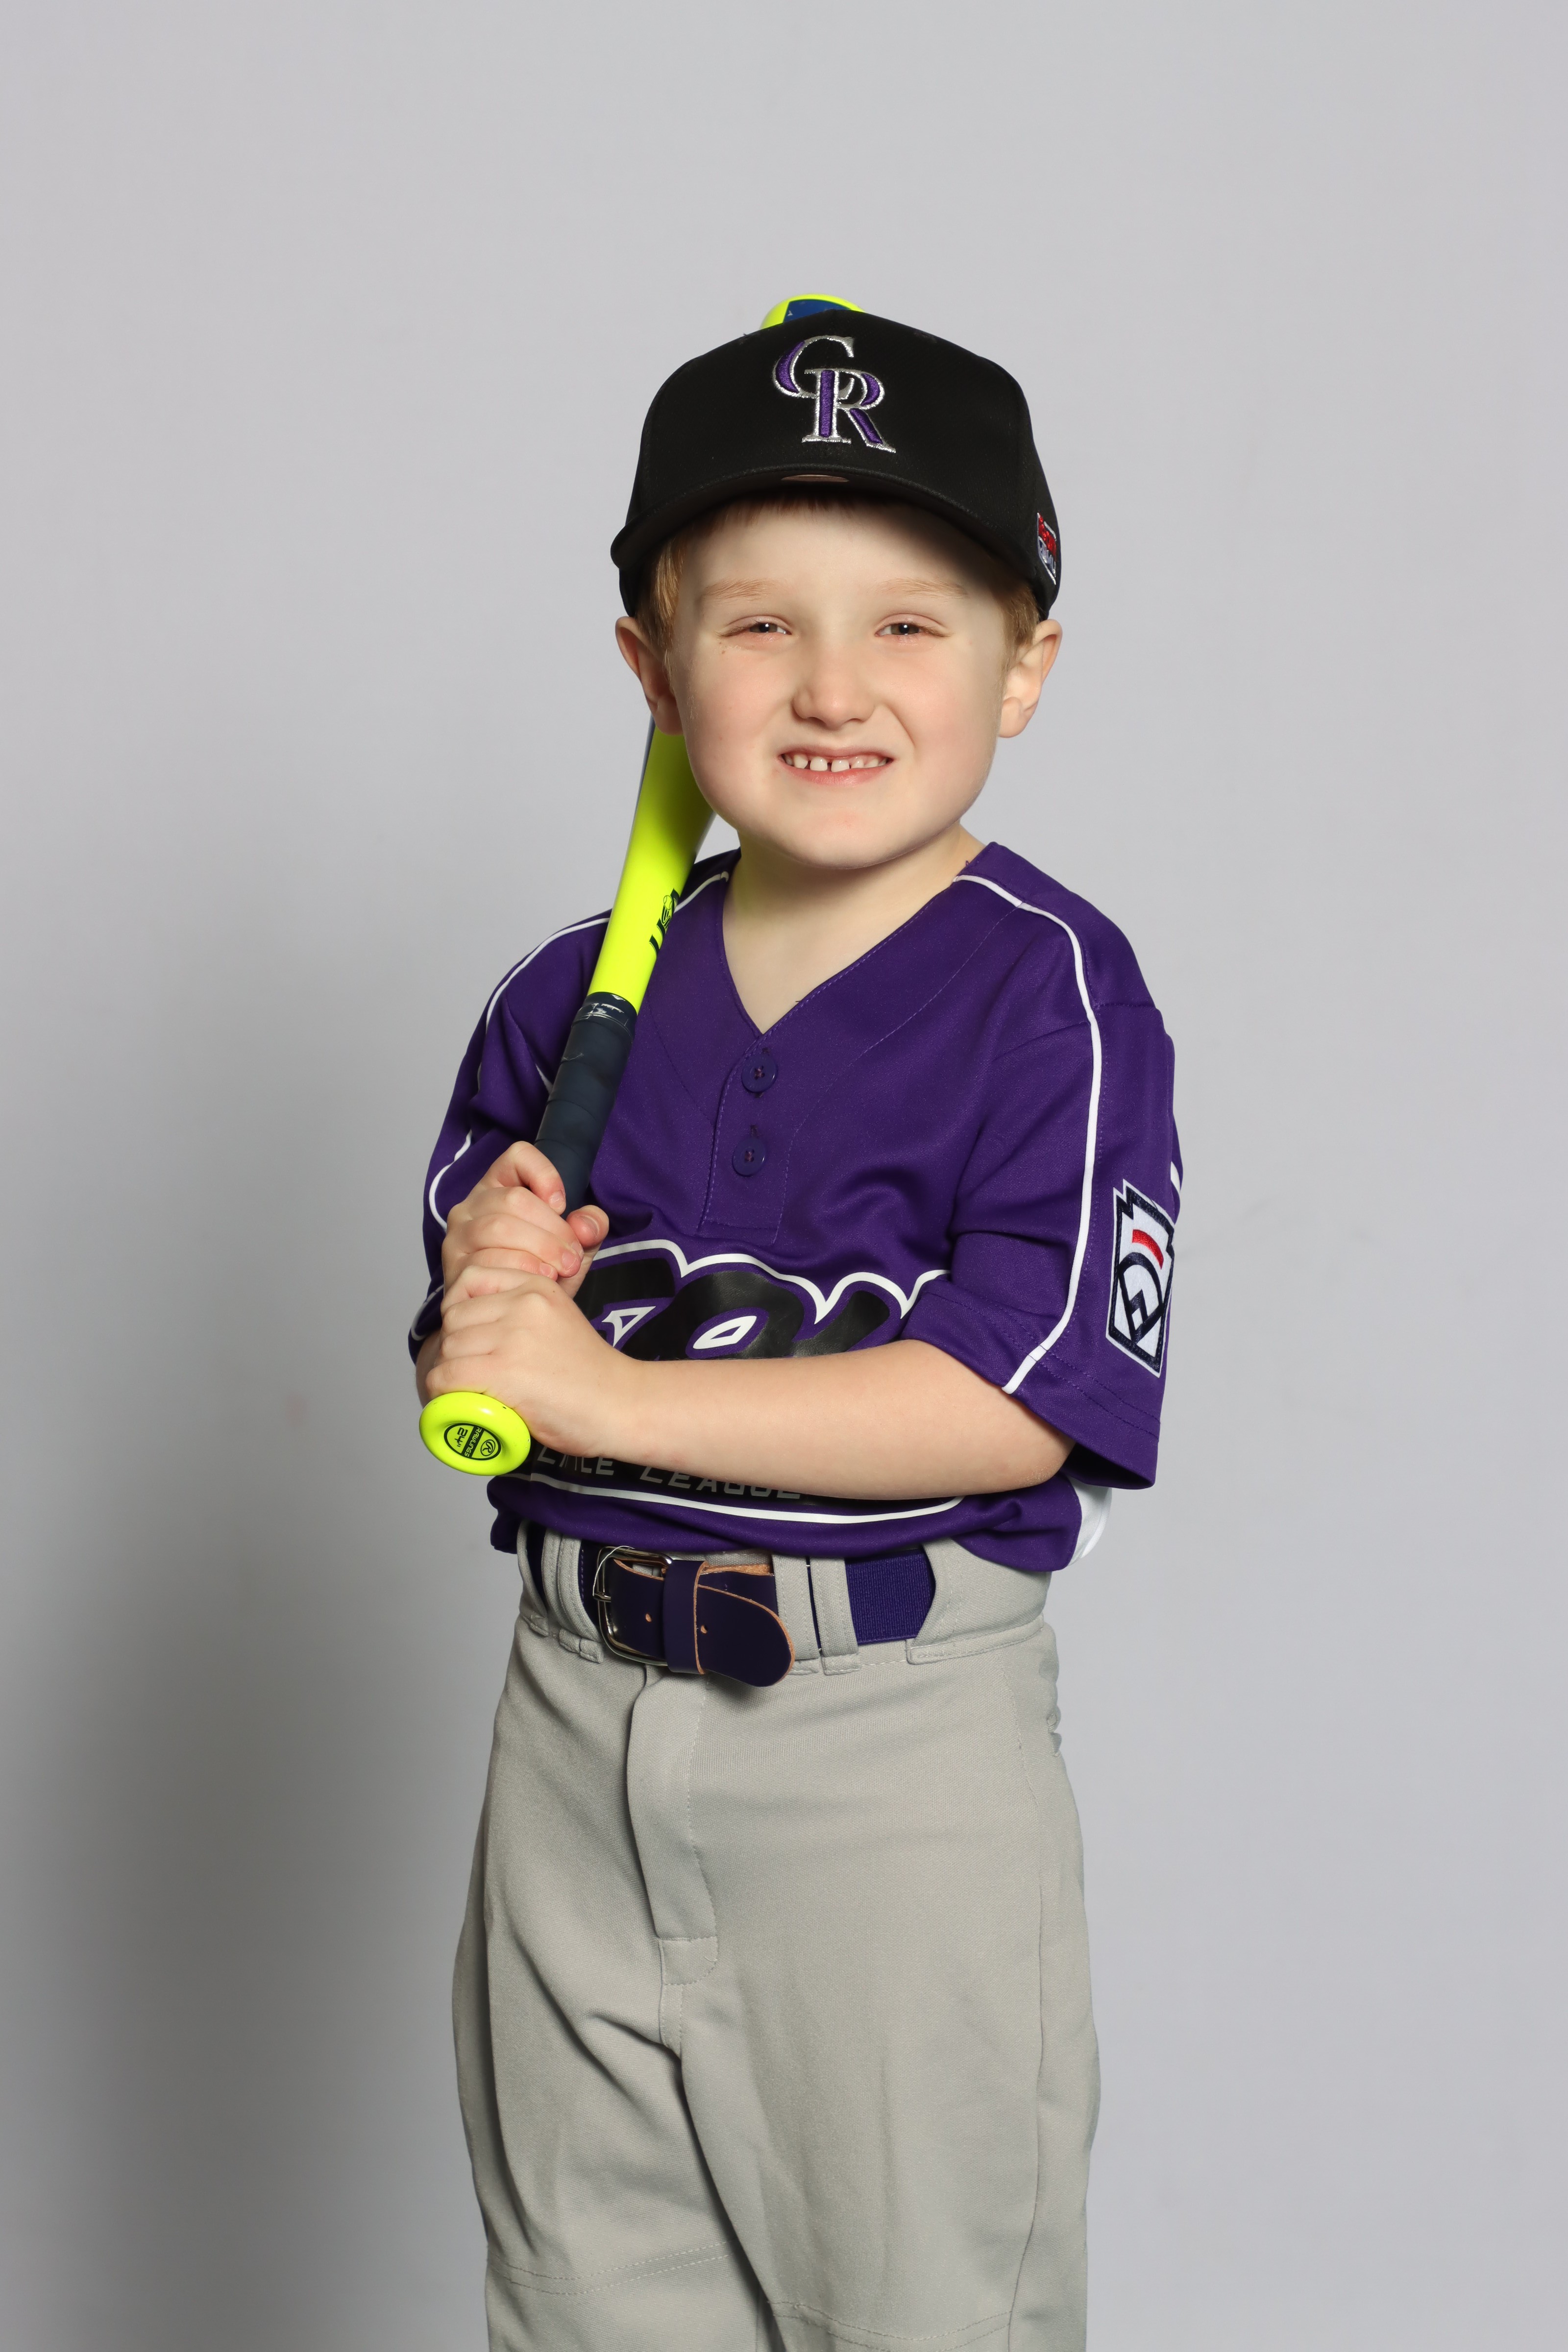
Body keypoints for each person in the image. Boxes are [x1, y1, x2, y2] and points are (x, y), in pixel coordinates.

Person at [412, 302, 1180, 2352]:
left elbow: (1010, 1403)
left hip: (880, 1751)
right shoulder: (561, 999)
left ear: (1021, 667)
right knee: (585, 2301)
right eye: (757, 625)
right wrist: (489, 1300)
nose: (833, 685)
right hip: (571, 1718)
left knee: (926, 2312)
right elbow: (476, 1371)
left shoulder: (1051, 994)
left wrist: (598, 1384)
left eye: (910, 624)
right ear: (654, 671)